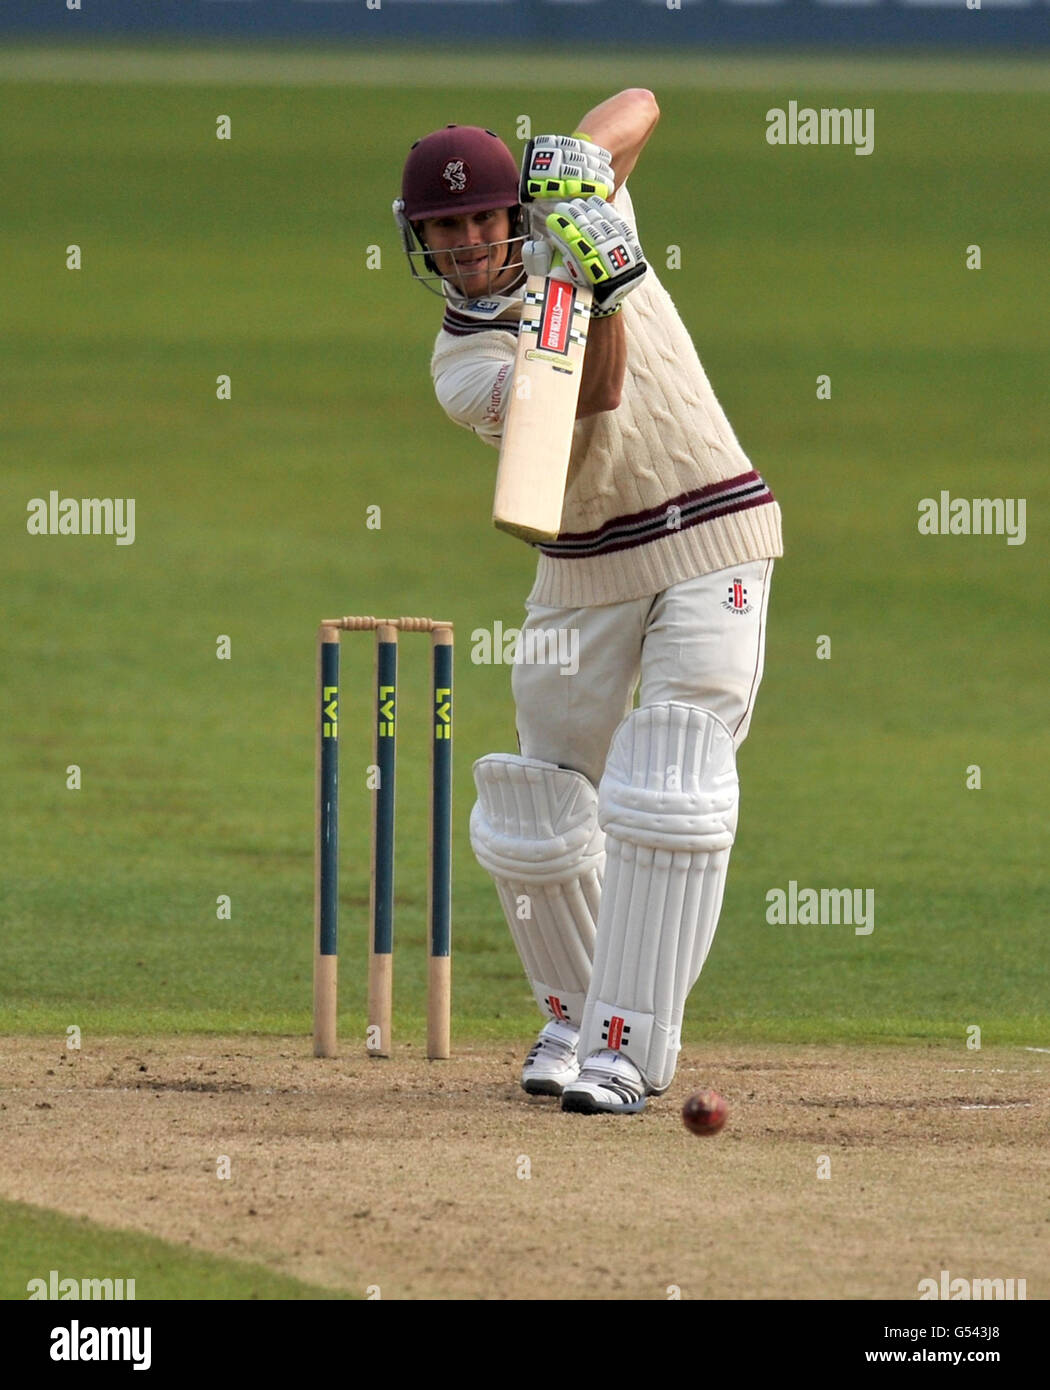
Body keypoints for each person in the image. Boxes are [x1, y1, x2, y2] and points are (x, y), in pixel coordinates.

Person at [395, 90, 782, 1114]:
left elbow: (641, 106)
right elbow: (593, 394)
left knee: (673, 777)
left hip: (711, 524)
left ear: (509, 209)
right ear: (422, 242)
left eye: (484, 217)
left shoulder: (573, 210)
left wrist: (578, 174)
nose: (471, 240)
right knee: (533, 805)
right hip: (582, 561)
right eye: (447, 228)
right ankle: (574, 1010)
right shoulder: (463, 363)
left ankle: (625, 1047)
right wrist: (606, 288)